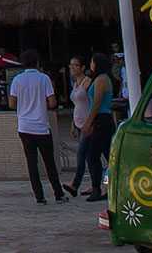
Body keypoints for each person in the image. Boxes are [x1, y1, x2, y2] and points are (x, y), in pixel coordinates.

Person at [9, 48, 66, 204]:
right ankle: (58, 194)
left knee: (32, 163)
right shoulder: (44, 79)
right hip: (41, 126)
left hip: (24, 127)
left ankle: (39, 197)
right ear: (38, 63)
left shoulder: (17, 80)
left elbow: (12, 103)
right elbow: (53, 102)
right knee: (49, 163)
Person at [78, 53, 118, 201]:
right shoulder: (100, 79)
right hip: (102, 119)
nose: (91, 64)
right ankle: (108, 186)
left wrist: (88, 122)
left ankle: (97, 188)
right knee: (108, 157)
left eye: (92, 62)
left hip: (101, 120)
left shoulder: (101, 80)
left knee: (92, 155)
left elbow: (96, 103)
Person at [64, 55, 91, 197]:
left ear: (82, 68)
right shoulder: (75, 84)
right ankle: (95, 184)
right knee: (90, 156)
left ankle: (75, 184)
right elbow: (76, 105)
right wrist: (73, 124)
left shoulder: (88, 82)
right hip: (79, 122)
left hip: (88, 123)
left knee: (82, 153)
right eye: (71, 65)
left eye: (75, 65)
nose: (72, 68)